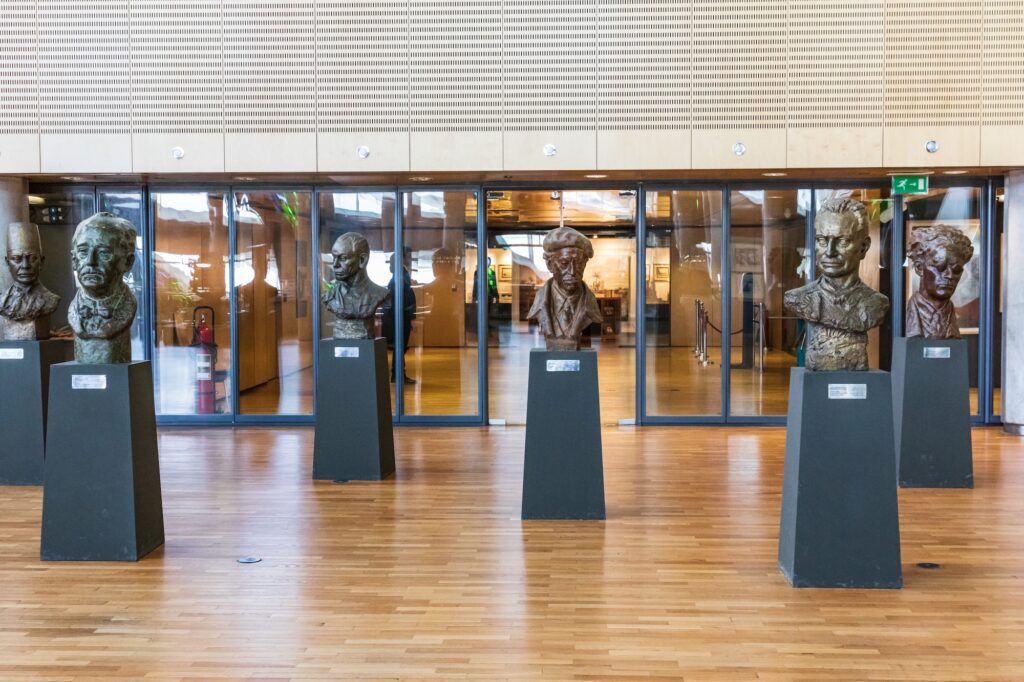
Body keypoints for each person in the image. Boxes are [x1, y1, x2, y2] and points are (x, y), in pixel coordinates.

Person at [784, 198, 889, 371]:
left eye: (842, 241)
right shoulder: (798, 298)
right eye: (822, 240)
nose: (829, 252)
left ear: (863, 247)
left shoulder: (876, 303)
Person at [67, 212, 139, 363]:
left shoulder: (127, 305)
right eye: (83, 252)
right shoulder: (74, 309)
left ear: (127, 262)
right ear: (74, 260)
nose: (90, 262)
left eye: (103, 253)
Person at [527, 226, 603, 351]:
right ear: (550, 265)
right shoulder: (540, 301)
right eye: (564, 264)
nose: (572, 271)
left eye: (579, 263)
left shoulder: (590, 304)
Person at [905, 224, 974, 339]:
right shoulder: (907, 315)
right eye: (940, 267)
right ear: (919, 268)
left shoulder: (950, 315)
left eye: (956, 270)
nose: (949, 275)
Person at [321, 232, 389, 339]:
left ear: (362, 260)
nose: (335, 264)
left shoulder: (379, 294)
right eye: (334, 257)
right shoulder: (330, 296)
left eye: (342, 258)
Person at [0, 222, 60, 340]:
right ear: (8, 263)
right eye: (16, 259)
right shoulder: (3, 302)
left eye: (32, 258)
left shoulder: (50, 300)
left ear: (41, 262)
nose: (25, 266)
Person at [382, 248, 416, 383]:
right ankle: (397, 375)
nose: (410, 259)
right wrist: (411, 316)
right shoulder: (401, 275)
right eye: (409, 257)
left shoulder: (399, 274)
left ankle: (398, 374)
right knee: (400, 346)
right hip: (400, 317)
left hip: (398, 316)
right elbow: (405, 298)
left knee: (400, 346)